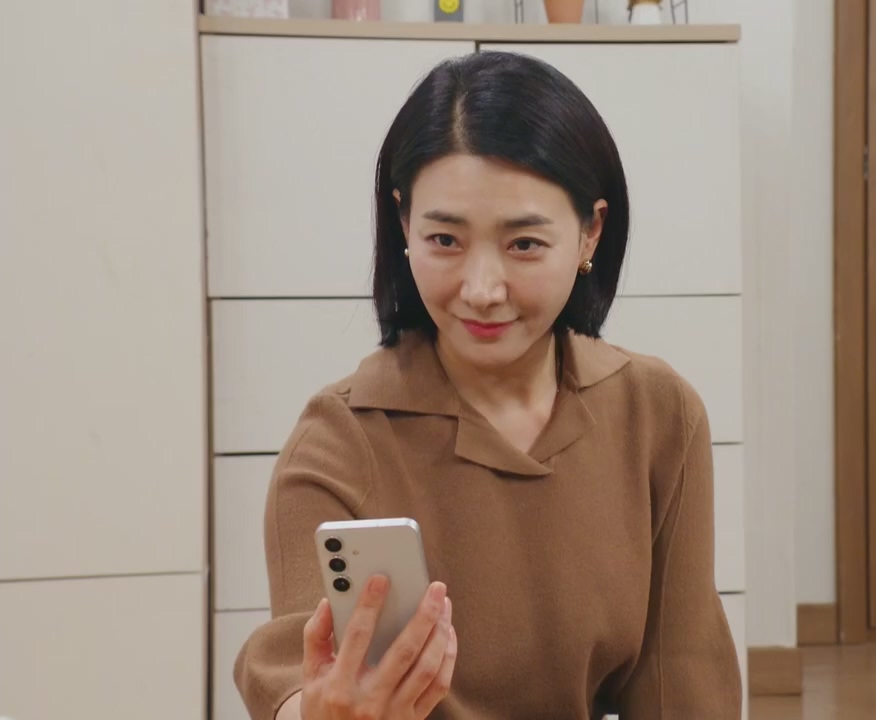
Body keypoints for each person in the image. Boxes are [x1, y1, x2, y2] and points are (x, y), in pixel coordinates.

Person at [232, 49, 743, 720]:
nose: (481, 289)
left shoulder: (658, 413)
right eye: (445, 240)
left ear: (590, 233)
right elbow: (299, 669)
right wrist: (318, 709)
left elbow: (681, 682)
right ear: (404, 224)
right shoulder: (339, 441)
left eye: (523, 244)